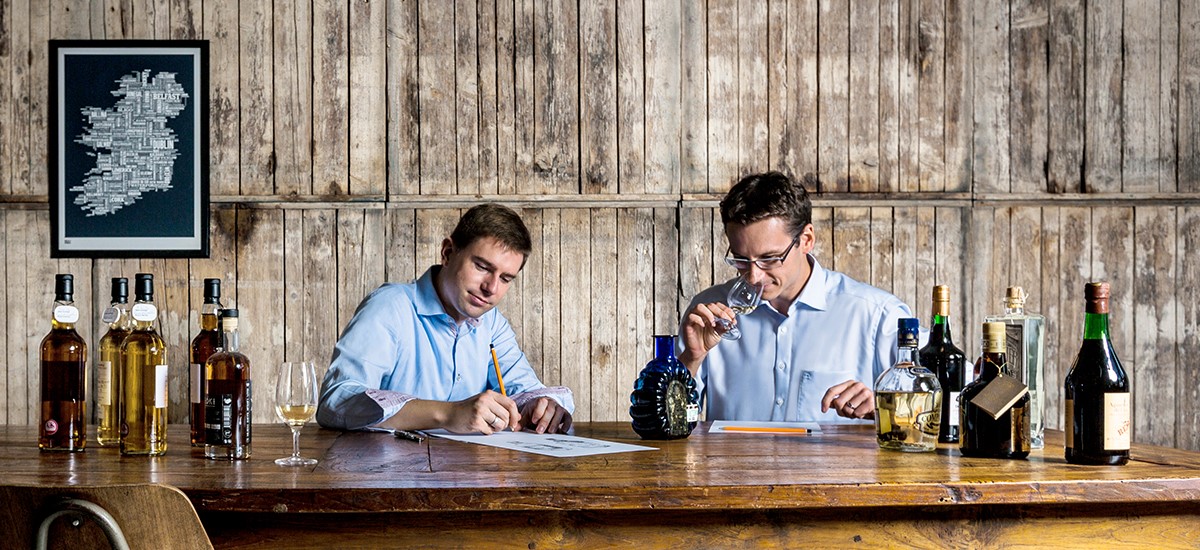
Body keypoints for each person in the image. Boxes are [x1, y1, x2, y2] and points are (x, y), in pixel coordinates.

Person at [679, 171, 917, 423]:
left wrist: (882, 409)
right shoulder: (708, 313)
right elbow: (666, 421)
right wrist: (691, 360)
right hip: (732, 464)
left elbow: (944, 405)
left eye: (769, 258)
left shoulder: (877, 315)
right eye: (740, 259)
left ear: (806, 240)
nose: (752, 276)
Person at [318, 203, 574, 434]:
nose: (491, 288)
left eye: (506, 278)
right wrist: (448, 414)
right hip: (391, 477)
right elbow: (336, 401)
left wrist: (540, 407)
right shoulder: (390, 307)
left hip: (466, 478)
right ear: (448, 252)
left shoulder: (492, 322)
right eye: (483, 267)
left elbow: (525, 390)